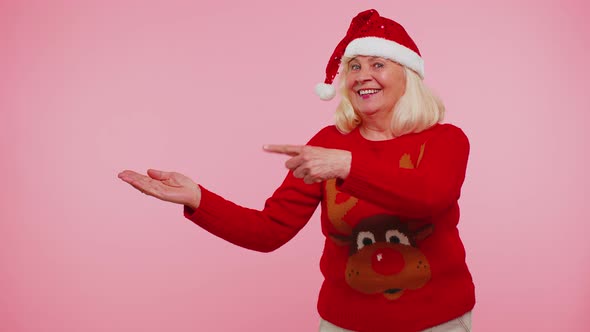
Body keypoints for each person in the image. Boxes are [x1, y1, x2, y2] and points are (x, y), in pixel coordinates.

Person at [118, 9, 475, 332]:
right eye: (353, 66)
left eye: (378, 64)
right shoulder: (327, 142)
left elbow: (430, 195)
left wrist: (346, 165)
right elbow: (269, 230)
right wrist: (198, 198)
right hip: (345, 324)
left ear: (407, 74)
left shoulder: (445, 140)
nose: (362, 76)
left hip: (437, 323)